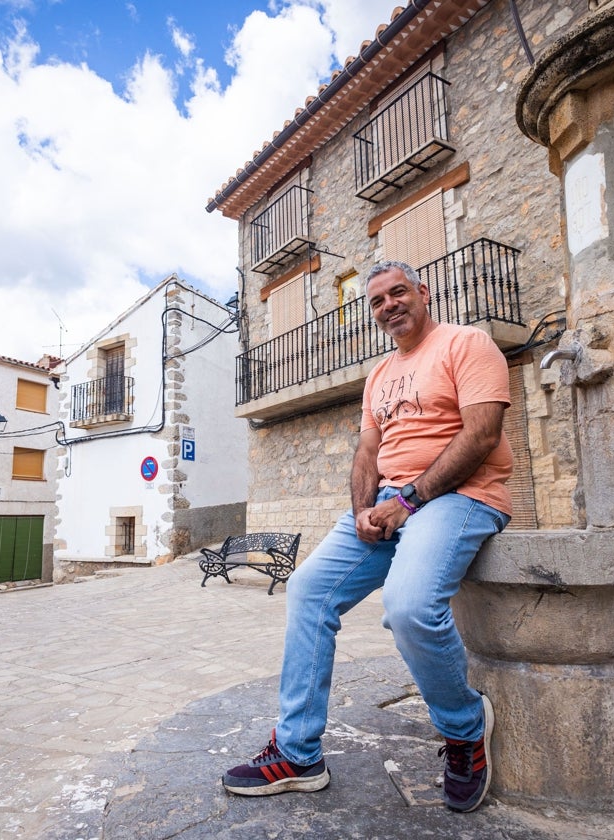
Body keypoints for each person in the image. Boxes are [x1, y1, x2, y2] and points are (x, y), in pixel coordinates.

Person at [222, 259, 513, 813]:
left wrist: (408, 501)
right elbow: (367, 452)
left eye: (397, 293)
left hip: (461, 497)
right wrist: (363, 510)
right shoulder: (379, 375)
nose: (388, 306)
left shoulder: (466, 344)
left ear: (422, 293)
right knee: (308, 590)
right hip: (389, 503)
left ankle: (463, 729)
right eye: (377, 301)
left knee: (408, 607)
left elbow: (482, 434)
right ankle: (298, 753)